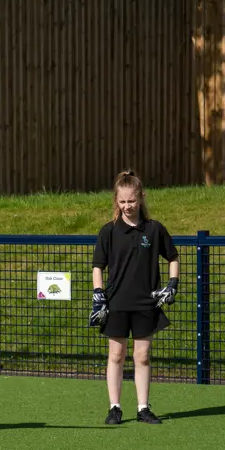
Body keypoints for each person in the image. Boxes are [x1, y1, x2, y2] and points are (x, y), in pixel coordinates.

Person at [89, 170, 180, 425]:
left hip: (145, 303)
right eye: (122, 202)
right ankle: (115, 407)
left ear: (141, 198)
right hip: (116, 302)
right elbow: (98, 266)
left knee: (142, 356)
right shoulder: (108, 231)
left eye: (131, 201)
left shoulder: (154, 229)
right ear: (116, 202)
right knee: (116, 355)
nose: (127, 206)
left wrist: (173, 283)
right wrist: (99, 294)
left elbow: (173, 257)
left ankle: (143, 408)